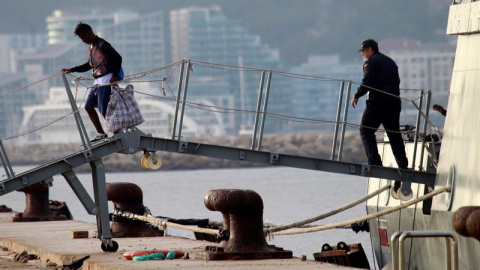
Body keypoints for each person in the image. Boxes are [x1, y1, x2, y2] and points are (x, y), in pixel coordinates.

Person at [351, 39, 409, 195]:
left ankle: (375, 162)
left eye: (364, 51)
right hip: (394, 101)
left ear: (370, 50)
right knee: (393, 133)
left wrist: (357, 95)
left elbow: (367, 82)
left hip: (378, 101)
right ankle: (403, 165)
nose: (363, 54)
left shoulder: (371, 62)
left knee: (365, 130)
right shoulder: (390, 61)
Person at [61, 22, 124, 142]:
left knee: (104, 108)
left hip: (106, 79)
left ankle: (117, 131)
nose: (83, 40)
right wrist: (72, 70)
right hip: (98, 81)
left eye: (83, 37)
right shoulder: (91, 47)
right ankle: (101, 133)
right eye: (81, 39)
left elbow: (118, 58)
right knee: (89, 106)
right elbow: (89, 65)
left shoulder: (102, 44)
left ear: (89, 33)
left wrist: (115, 76)